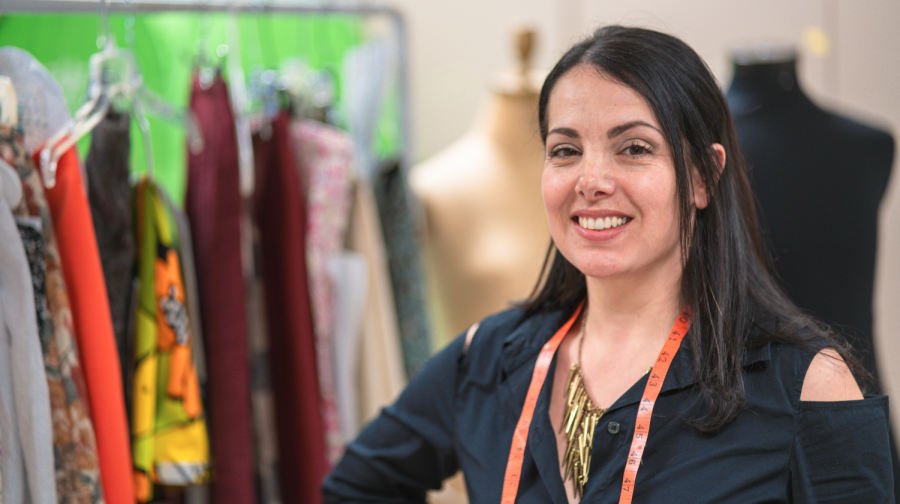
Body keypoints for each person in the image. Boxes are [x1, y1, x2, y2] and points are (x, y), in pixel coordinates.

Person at [322, 26, 894, 503]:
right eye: (565, 150)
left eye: (634, 148)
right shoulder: (487, 359)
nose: (591, 181)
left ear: (702, 176)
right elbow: (353, 488)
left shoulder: (807, 386)